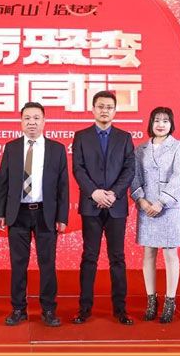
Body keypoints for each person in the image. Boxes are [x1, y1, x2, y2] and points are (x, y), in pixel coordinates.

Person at [0, 102, 68, 327]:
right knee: (18, 264)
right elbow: (3, 182)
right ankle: (18, 308)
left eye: (36, 118)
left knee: (47, 264)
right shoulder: (12, 148)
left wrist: (62, 217)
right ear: (21, 122)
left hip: (46, 213)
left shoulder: (57, 149)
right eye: (27, 118)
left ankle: (48, 309)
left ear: (44, 121)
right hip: (18, 213)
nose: (32, 123)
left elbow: (63, 186)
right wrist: (0, 212)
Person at [71, 91, 135, 325]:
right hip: (91, 205)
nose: (105, 110)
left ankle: (120, 310)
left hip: (116, 206)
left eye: (109, 107)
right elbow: (78, 169)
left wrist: (113, 194)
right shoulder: (81, 136)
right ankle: (84, 309)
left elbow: (129, 169)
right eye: (100, 106)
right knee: (89, 257)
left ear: (115, 111)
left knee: (117, 258)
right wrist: (94, 192)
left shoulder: (124, 137)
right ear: (93, 109)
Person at [131, 107, 180, 323]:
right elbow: (134, 177)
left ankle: (170, 301)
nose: (161, 124)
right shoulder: (140, 149)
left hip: (169, 208)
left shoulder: (179, 148)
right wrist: (141, 200)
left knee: (170, 254)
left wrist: (161, 202)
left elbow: (178, 178)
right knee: (148, 253)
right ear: (151, 123)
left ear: (171, 124)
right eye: (157, 120)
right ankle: (151, 300)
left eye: (165, 120)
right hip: (146, 206)